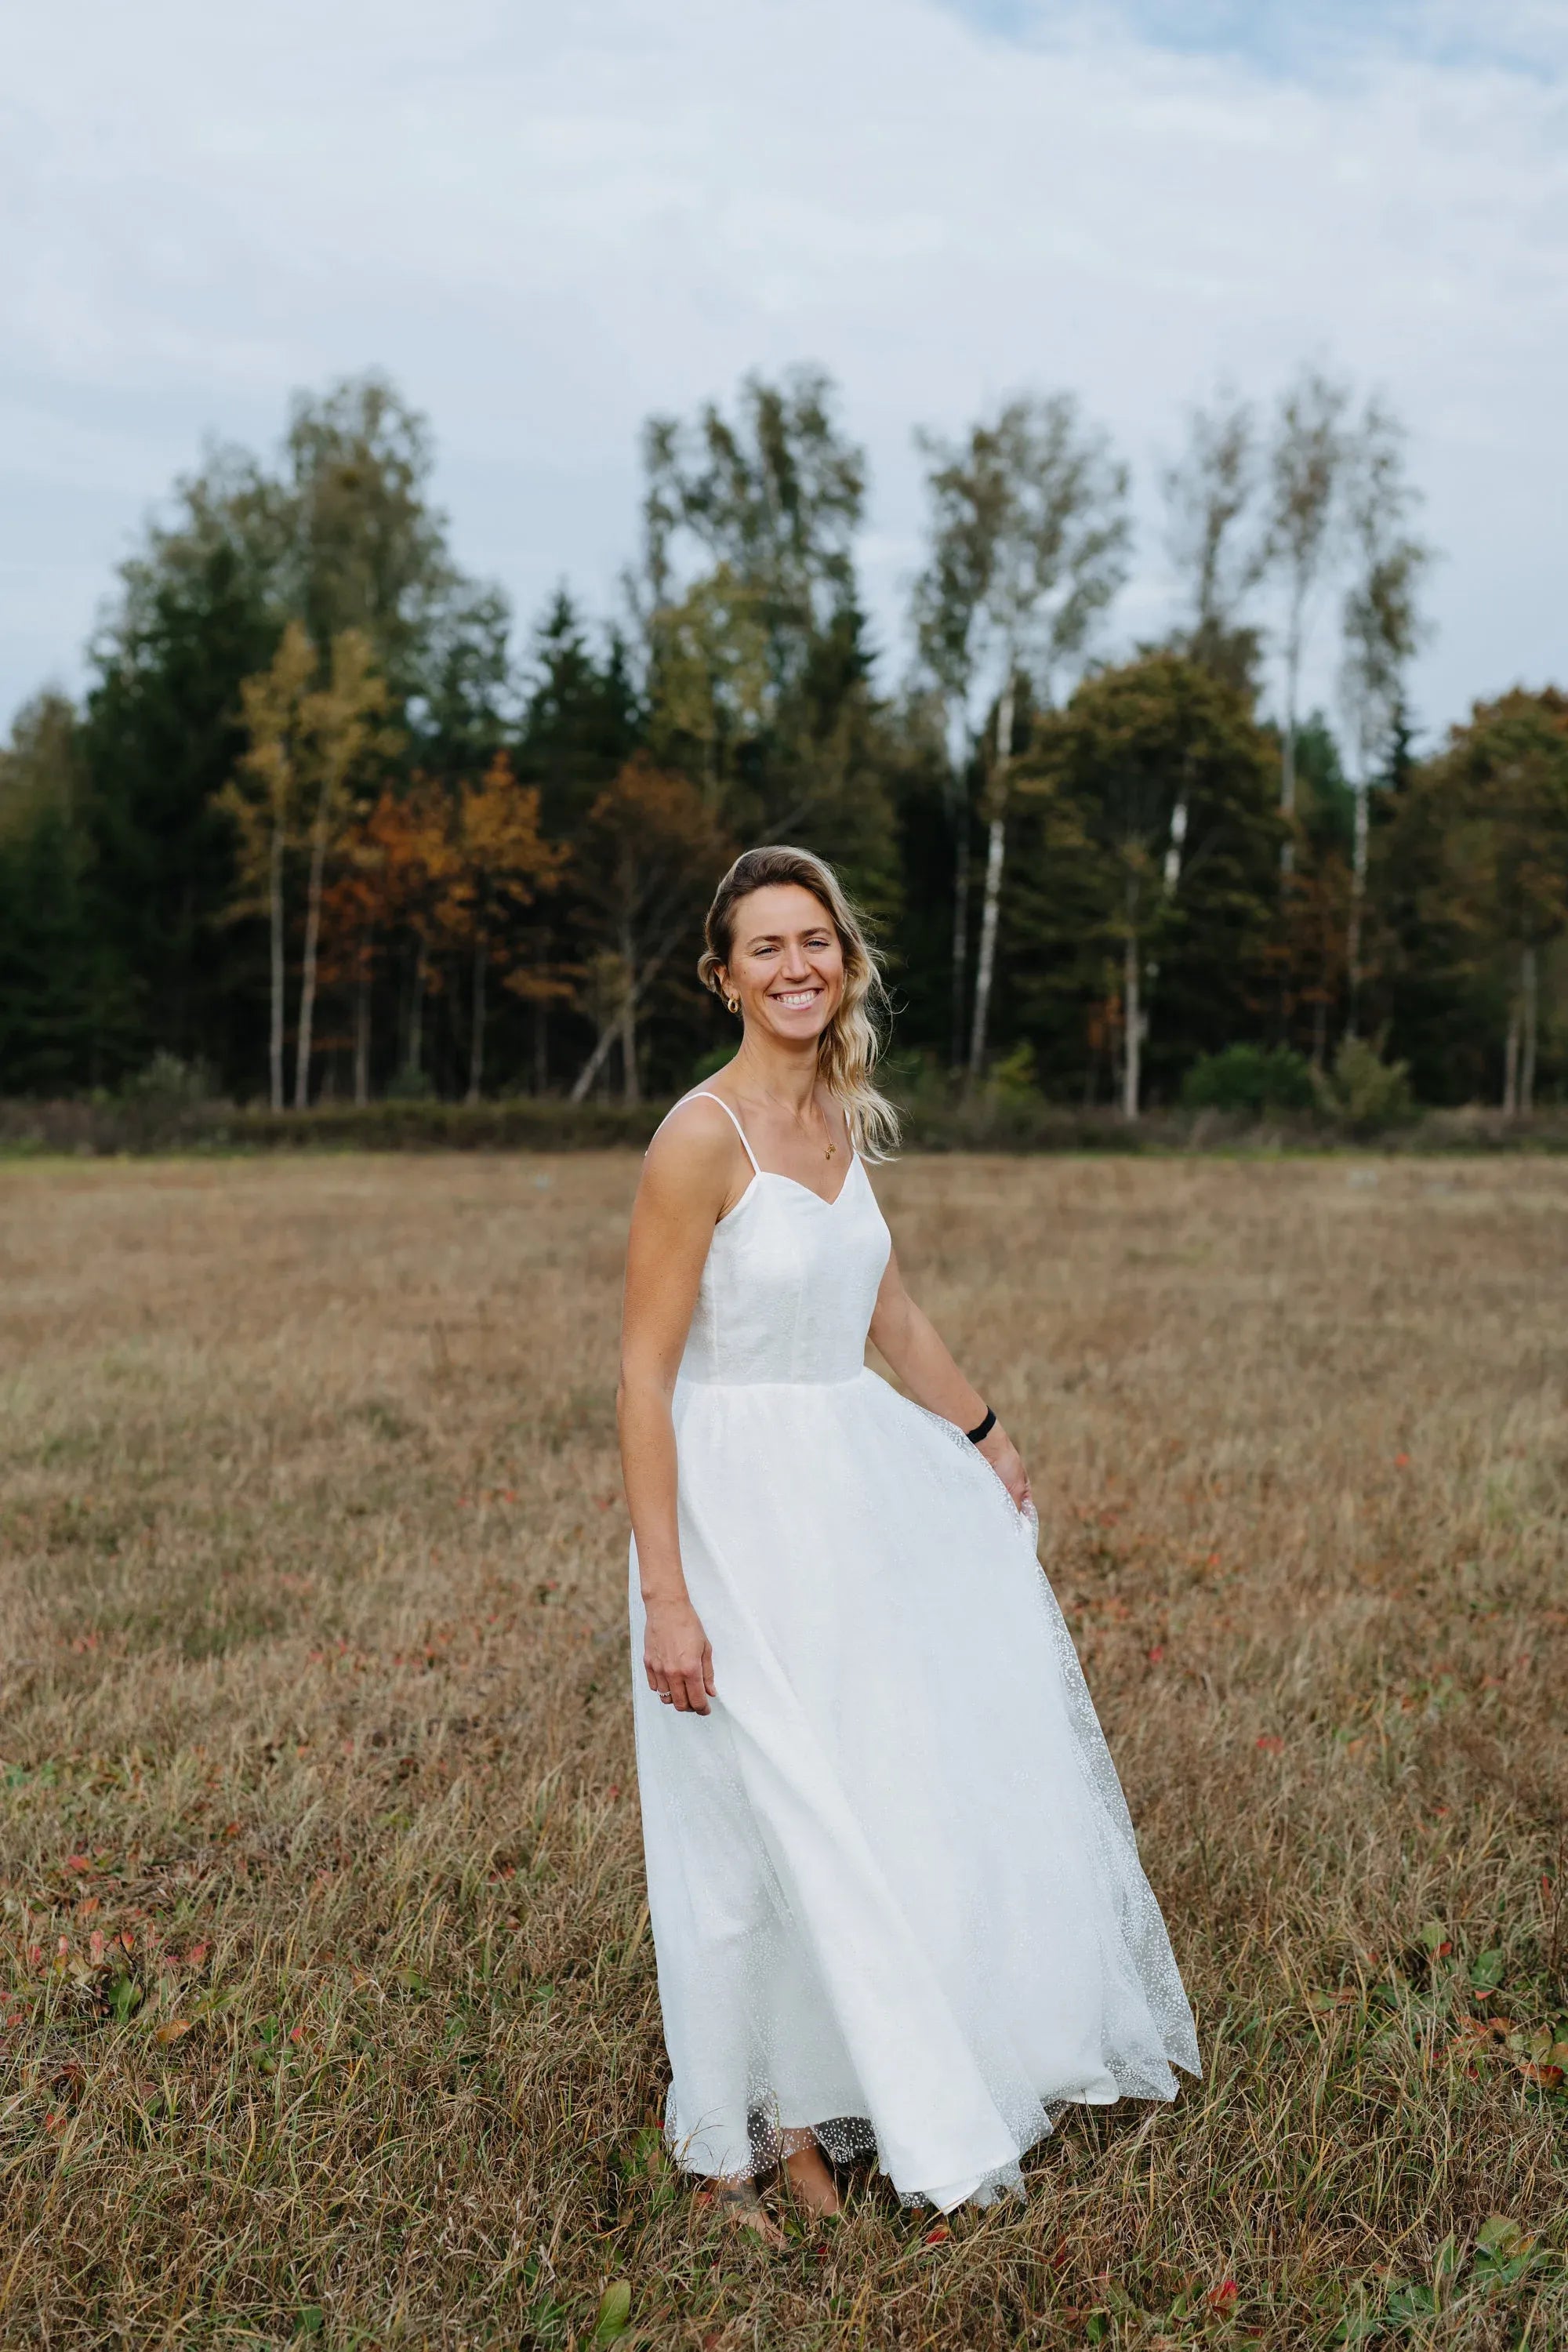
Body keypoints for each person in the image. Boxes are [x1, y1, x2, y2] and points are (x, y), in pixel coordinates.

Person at [617, 844, 1198, 2227]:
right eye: (766, 947)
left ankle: (807, 2125)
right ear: (723, 976)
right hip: (730, 1511)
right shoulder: (700, 1137)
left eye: (815, 940)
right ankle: (718, 2154)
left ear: (846, 959)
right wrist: (666, 1594)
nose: (797, 965)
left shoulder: (838, 1114)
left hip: (852, 1503)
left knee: (853, 1804)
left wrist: (986, 1437)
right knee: (742, 1834)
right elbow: (641, 1376)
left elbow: (891, 1318)